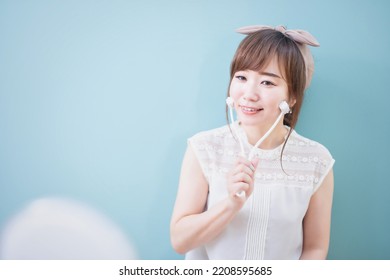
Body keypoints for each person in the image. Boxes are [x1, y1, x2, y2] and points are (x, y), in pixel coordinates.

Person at [170, 25, 335, 260]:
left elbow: (315, 248)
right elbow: (180, 241)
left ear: (293, 95)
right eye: (241, 77)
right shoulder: (204, 148)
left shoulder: (317, 160)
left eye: (267, 82)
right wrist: (230, 204)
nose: (249, 93)